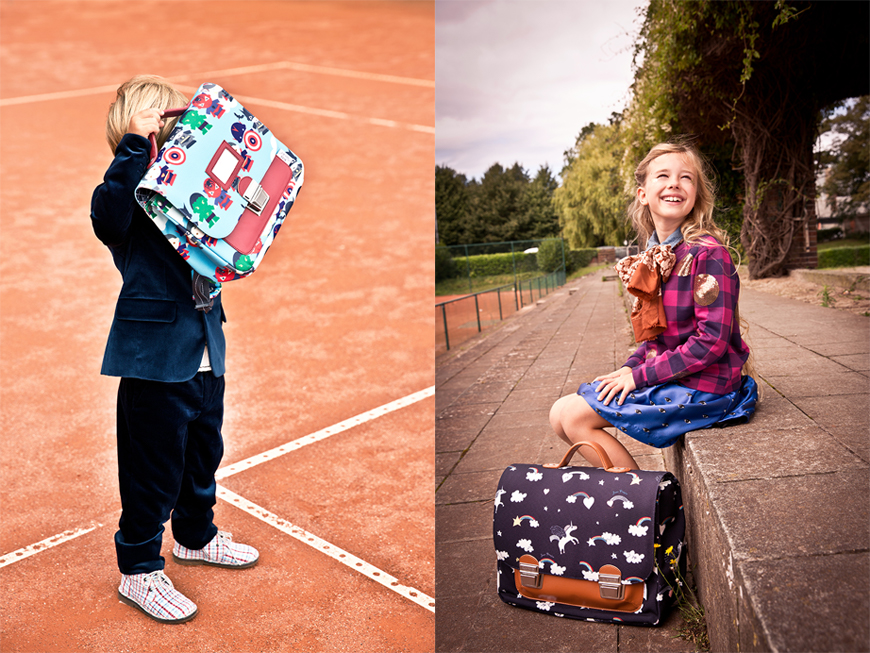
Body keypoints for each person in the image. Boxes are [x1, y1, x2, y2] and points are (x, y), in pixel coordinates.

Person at [91, 75, 258, 625]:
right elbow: (105, 217)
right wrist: (135, 148)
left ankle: (194, 534)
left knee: (201, 455)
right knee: (152, 468)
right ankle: (139, 568)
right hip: (155, 357)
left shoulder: (192, 192)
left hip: (207, 347)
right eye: (161, 121)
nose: (175, 128)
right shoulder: (128, 200)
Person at [549, 140, 758, 470]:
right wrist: (630, 368)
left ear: (696, 195)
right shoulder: (654, 258)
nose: (674, 182)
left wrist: (640, 377)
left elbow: (712, 342)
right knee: (558, 413)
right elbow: (655, 340)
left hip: (708, 387)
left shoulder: (706, 254)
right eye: (663, 175)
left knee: (574, 417)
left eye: (686, 177)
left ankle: (643, 509)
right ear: (643, 194)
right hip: (679, 378)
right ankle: (636, 503)